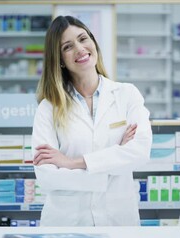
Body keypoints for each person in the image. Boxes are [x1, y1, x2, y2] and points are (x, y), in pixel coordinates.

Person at [31, 15, 152, 227]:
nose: (80, 49)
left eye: (83, 38)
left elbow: (140, 152)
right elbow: (47, 177)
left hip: (118, 220)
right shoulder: (48, 108)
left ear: (93, 42)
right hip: (67, 223)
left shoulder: (127, 94)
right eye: (68, 46)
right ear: (59, 59)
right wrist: (111, 164)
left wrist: (71, 163)